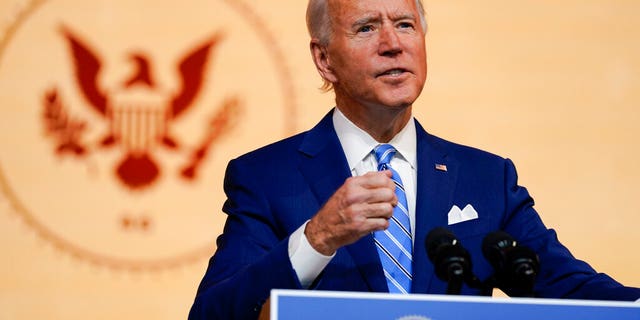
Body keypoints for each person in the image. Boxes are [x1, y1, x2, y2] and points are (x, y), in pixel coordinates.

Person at [188, 0, 640, 318]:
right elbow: (213, 313)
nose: (392, 44)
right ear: (324, 60)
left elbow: (570, 288)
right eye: (366, 27)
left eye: (405, 24)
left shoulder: (486, 178)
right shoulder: (267, 178)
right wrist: (317, 237)